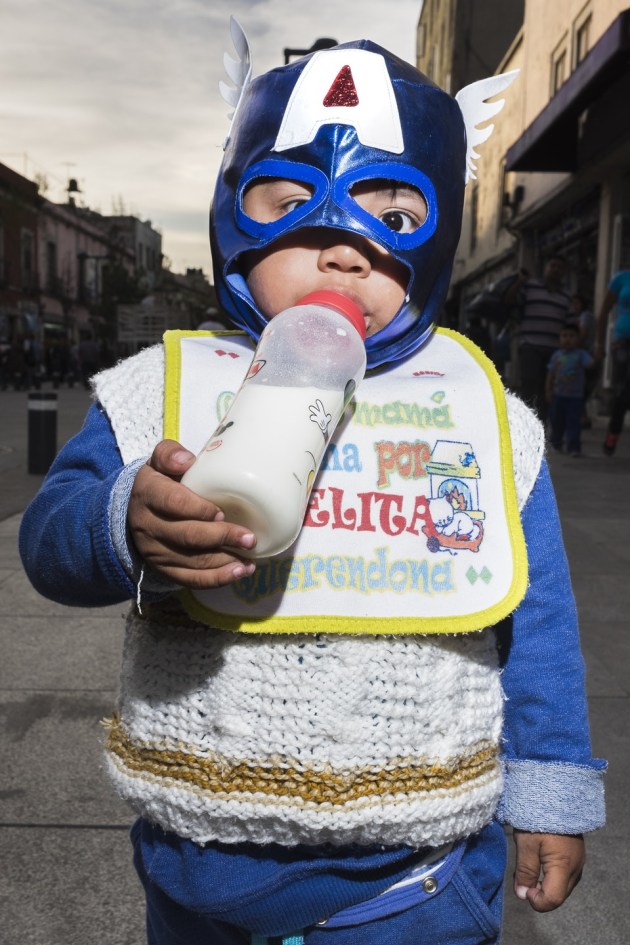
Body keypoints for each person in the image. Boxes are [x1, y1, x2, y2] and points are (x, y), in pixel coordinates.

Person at [18, 28, 605, 945]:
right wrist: (121, 521)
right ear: (231, 223)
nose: (340, 256)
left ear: (438, 243)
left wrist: (552, 788)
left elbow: (539, 627)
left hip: (413, 878)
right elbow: (48, 540)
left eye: (390, 221)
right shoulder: (160, 391)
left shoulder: (486, 418)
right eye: (292, 208)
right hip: (198, 864)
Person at [505, 257, 571, 424]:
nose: (555, 269)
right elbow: (509, 301)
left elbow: (568, 324)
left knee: (548, 390)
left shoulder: (566, 296)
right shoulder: (530, 287)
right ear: (546, 268)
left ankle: (540, 425)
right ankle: (526, 423)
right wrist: (520, 282)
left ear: (564, 273)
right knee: (530, 385)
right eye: (553, 265)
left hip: (554, 351)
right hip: (530, 345)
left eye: (559, 267)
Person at [595, 270, 630, 455]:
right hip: (622, 342)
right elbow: (603, 313)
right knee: (622, 391)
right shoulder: (621, 279)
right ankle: (613, 433)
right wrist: (599, 343)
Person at [546, 321, 593, 456]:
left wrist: (598, 355)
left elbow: (590, 365)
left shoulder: (581, 354)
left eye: (572, 336)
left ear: (578, 339)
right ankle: (556, 443)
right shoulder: (557, 356)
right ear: (560, 338)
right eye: (564, 336)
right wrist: (548, 390)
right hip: (558, 395)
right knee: (556, 421)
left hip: (575, 397)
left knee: (573, 423)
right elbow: (551, 374)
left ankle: (574, 447)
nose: (568, 339)